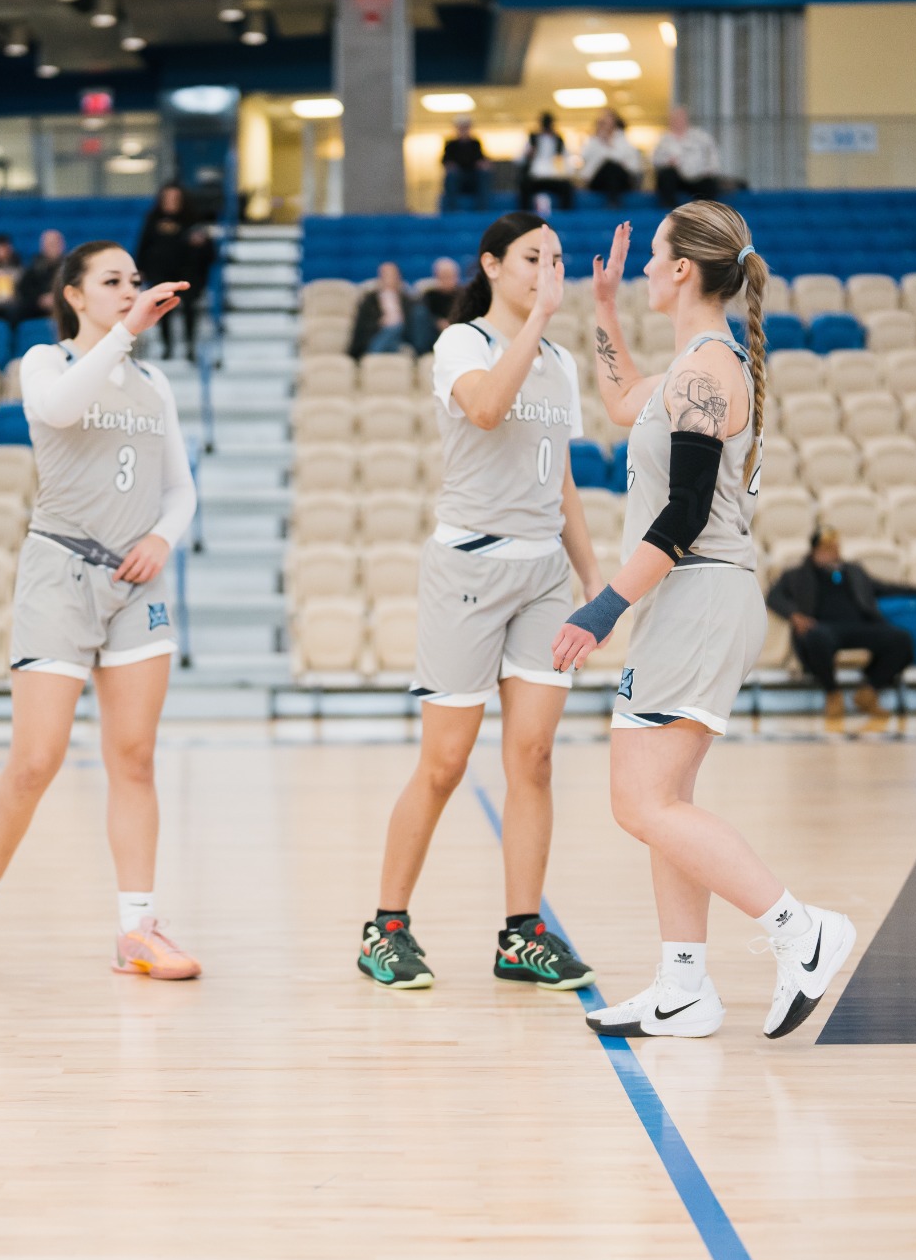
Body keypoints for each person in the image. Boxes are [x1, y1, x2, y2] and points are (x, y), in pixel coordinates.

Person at [553, 212, 857, 1041]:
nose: (646, 267)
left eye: (654, 256)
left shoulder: (706, 372)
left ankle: (801, 929)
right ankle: (684, 985)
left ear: (684, 269)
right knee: (664, 802)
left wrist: (603, 607)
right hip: (691, 600)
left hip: (694, 597)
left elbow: (683, 516)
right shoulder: (697, 366)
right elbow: (622, 400)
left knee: (637, 802)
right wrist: (604, 307)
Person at [0, 241, 202, 987]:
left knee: (135, 758)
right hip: (60, 572)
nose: (130, 291)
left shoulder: (154, 382)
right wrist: (124, 332)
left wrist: (162, 537)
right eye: (112, 281)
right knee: (36, 760)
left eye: (135, 281)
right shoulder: (45, 362)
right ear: (75, 296)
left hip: (135, 582)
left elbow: (180, 489)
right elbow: (58, 410)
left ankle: (136, 929)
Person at [356, 212, 605, 993]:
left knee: (533, 757)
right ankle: (385, 926)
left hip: (544, 577)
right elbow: (489, 408)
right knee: (444, 763)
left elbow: (559, 478)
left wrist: (592, 579)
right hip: (469, 568)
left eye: (557, 259)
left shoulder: (561, 362)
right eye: (533, 257)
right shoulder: (462, 343)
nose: (548, 270)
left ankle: (522, 934)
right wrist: (536, 322)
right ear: (492, 264)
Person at [766, 526, 916, 718]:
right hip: (823, 627)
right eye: (827, 547)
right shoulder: (797, 575)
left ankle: (869, 691)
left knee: (902, 640)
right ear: (815, 550)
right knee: (814, 637)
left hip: (860, 625)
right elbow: (774, 596)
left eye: (835, 547)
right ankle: (832, 693)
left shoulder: (853, 571)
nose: (834, 551)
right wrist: (794, 615)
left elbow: (885, 588)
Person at [135, 183, 213, 361]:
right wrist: (140, 269)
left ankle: (190, 346)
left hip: (187, 273)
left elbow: (209, 252)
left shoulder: (193, 221)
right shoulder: (153, 219)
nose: (171, 202)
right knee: (163, 309)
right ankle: (167, 346)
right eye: (168, 198)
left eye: (175, 198)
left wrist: (200, 243)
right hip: (161, 272)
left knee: (190, 307)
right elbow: (143, 245)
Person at [651, 106, 733, 208]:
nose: (678, 121)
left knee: (709, 184)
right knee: (666, 176)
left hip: (698, 177)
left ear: (687, 119)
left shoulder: (701, 136)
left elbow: (712, 155)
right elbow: (655, 160)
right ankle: (668, 207)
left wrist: (710, 170)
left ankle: (706, 210)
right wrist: (667, 162)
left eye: (681, 118)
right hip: (676, 179)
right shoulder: (664, 140)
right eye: (675, 118)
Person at [347, 261, 432, 359]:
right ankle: (375, 355)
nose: (389, 279)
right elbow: (362, 327)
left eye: (392, 275)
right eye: (385, 275)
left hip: (401, 337)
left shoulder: (408, 300)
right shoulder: (370, 300)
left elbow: (415, 326)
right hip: (377, 336)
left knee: (398, 328)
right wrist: (379, 323)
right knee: (394, 327)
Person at [581, 110, 643, 209]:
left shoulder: (624, 141)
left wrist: (610, 145)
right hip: (598, 181)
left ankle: (613, 202)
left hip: (620, 180)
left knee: (612, 167)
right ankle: (613, 202)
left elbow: (634, 166)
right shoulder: (592, 142)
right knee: (609, 165)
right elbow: (586, 164)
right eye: (603, 123)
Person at [519, 113, 575, 213]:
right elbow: (519, 160)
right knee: (524, 186)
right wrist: (528, 154)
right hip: (535, 177)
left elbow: (566, 159)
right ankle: (525, 215)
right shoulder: (532, 139)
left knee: (567, 187)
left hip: (554, 177)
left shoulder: (559, 140)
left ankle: (566, 216)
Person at [16, 229, 67, 323]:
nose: (52, 247)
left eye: (55, 243)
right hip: (37, 310)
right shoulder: (33, 268)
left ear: (62, 245)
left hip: (65, 307)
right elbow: (24, 290)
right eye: (49, 244)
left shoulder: (71, 268)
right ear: (42, 246)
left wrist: (58, 298)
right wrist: (40, 300)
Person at [441, 117, 487, 212]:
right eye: (461, 127)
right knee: (451, 177)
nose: (464, 130)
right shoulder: (451, 144)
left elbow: (481, 159)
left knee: (484, 174)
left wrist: (483, 164)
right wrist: (451, 166)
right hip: (457, 177)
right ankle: (452, 210)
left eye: (466, 127)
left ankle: (482, 209)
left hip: (473, 177)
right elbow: (445, 161)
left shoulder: (475, 143)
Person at [421, 257, 462, 333]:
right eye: (444, 276)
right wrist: (437, 322)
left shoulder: (464, 296)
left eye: (450, 276)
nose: (447, 280)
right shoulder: (429, 296)